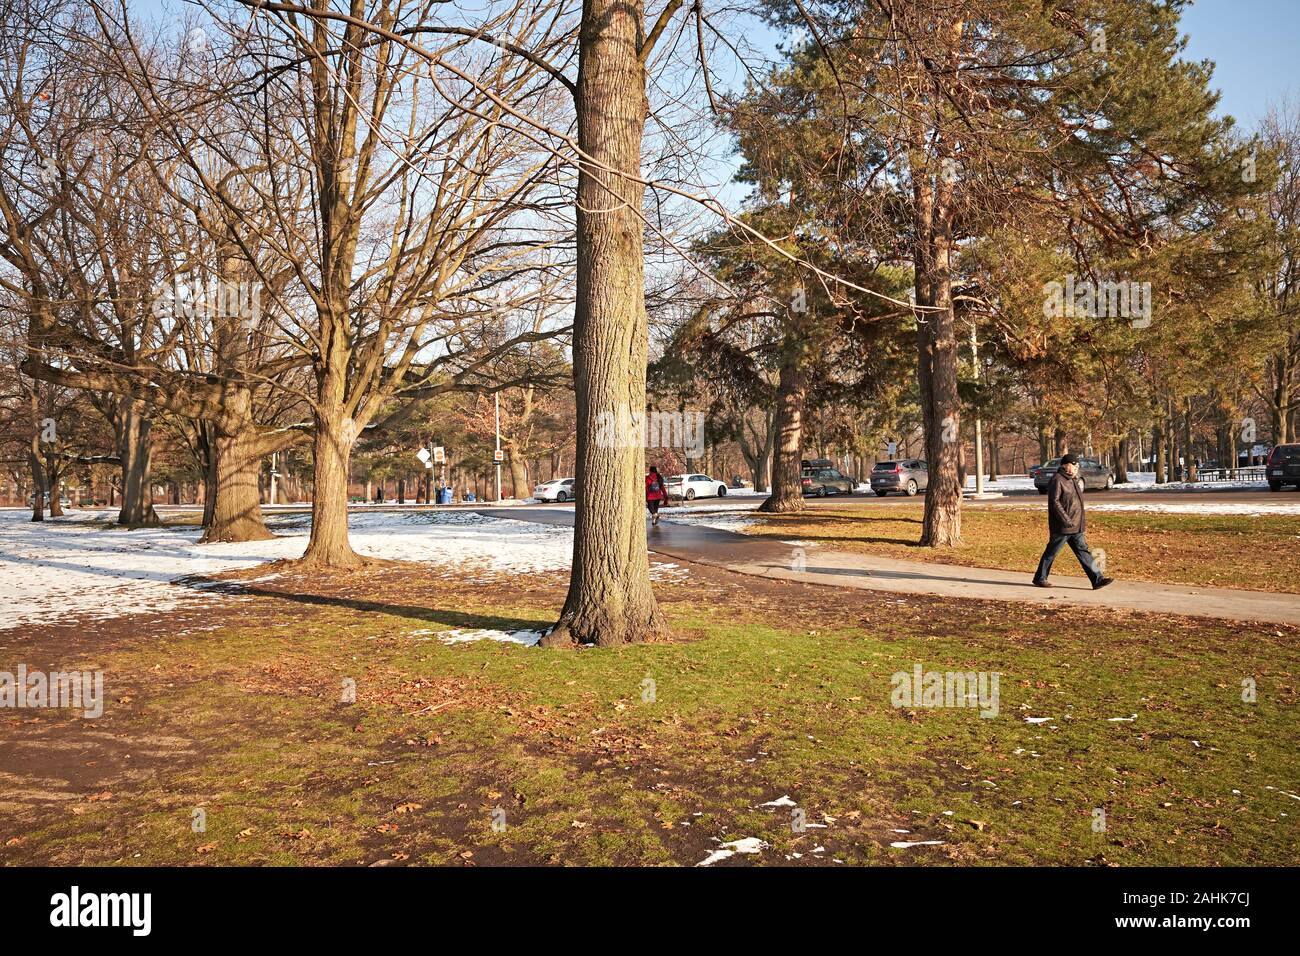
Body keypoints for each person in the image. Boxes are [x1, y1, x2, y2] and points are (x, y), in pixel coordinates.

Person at [1032, 453, 1114, 590]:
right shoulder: (1057, 480)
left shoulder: (1072, 479)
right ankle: (1040, 578)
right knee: (1052, 551)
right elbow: (1054, 502)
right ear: (1065, 465)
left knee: (1083, 551)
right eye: (1073, 465)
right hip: (1063, 526)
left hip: (1076, 525)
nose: (1076, 468)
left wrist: (1079, 522)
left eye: (1077, 466)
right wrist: (1066, 520)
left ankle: (1097, 580)